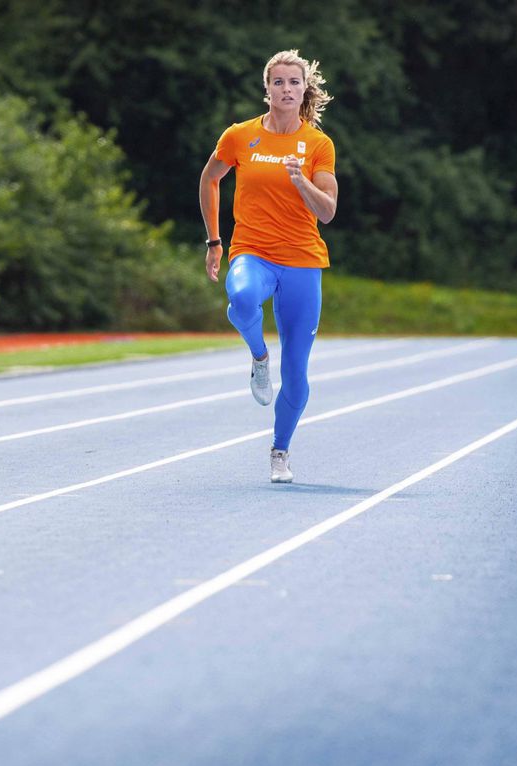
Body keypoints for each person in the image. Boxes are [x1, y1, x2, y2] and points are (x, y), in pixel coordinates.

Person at [198, 49, 338, 484]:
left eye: (293, 82)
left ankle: (280, 450)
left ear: (304, 90)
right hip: (252, 251)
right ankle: (259, 356)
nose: (286, 89)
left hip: (301, 261)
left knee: (296, 373)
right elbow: (209, 179)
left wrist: (301, 182)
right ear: (267, 90)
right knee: (239, 298)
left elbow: (329, 210)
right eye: (277, 82)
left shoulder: (318, 145)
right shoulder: (241, 136)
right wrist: (215, 241)